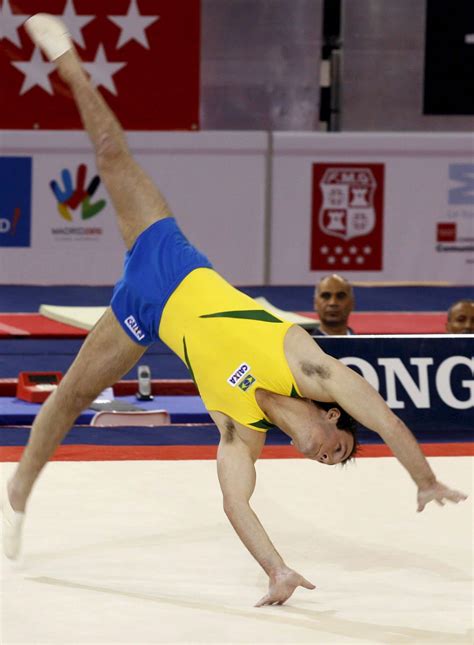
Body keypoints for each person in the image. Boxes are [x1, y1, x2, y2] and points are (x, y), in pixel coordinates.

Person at [2, 14, 467, 608]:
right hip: (169, 258)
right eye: (338, 447)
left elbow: (236, 503)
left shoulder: (239, 430)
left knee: (67, 397)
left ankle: (17, 492)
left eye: (329, 463)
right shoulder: (307, 364)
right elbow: (387, 421)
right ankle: (68, 59)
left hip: (141, 315)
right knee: (112, 149)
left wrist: (276, 569)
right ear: (330, 414)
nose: (327, 456)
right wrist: (424, 479)